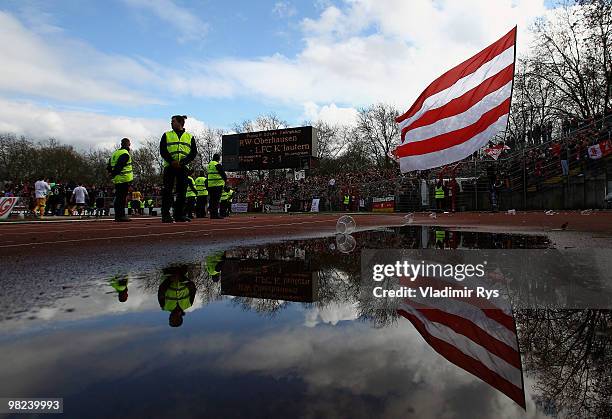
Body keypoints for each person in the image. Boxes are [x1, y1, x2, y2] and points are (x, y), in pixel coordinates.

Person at [160, 115, 197, 223]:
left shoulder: (189, 137)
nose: (171, 123)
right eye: (171, 121)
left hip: (183, 167)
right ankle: (165, 214)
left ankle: (179, 215)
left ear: (180, 123)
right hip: (169, 166)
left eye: (173, 121)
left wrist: (183, 162)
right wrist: (172, 161)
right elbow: (163, 150)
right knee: (167, 190)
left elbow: (193, 153)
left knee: (182, 192)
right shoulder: (166, 135)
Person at [107, 138, 133, 222]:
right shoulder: (125, 154)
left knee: (119, 197)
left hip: (117, 179)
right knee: (121, 198)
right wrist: (114, 173)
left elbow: (109, 165)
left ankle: (118, 215)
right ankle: (120, 215)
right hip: (123, 179)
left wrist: (111, 174)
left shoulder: (115, 153)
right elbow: (119, 166)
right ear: (128, 144)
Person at [206, 153, 227, 219]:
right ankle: (215, 215)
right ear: (218, 159)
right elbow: (223, 174)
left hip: (210, 185)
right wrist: (225, 180)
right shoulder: (217, 164)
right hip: (217, 185)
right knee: (216, 201)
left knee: (212, 200)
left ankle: (212, 214)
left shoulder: (209, 165)